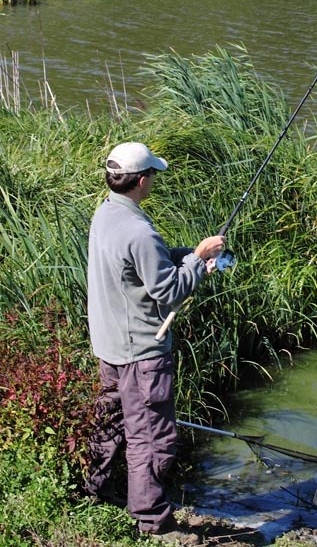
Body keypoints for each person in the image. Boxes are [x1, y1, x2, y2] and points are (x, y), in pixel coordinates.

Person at [85, 141, 225, 543]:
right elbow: (170, 293)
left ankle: (96, 490)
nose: (154, 183)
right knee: (151, 436)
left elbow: (150, 263)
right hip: (142, 354)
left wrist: (190, 256)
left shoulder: (107, 214)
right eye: (153, 177)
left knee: (111, 424)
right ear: (142, 180)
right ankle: (152, 521)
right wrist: (198, 258)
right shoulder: (139, 230)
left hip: (109, 346)